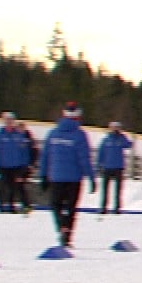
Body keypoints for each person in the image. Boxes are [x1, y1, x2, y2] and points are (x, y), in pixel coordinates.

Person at [39, 103, 95, 247]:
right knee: (71, 207)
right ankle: (67, 232)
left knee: (56, 205)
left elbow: (45, 157)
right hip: (74, 178)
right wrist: (91, 177)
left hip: (56, 177)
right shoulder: (80, 135)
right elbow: (84, 159)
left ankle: (61, 227)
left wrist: (43, 175)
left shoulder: (53, 133)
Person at [0, 113, 34, 214]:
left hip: (16, 166)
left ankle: (16, 205)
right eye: (7, 121)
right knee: (3, 186)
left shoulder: (19, 135)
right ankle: (1, 206)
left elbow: (24, 151)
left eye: (11, 120)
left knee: (16, 186)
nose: (9, 123)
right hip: (3, 166)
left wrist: (25, 165)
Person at [97, 120, 132, 214]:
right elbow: (101, 153)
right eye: (113, 128)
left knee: (118, 190)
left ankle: (117, 207)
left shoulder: (121, 139)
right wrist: (99, 165)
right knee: (105, 189)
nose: (115, 130)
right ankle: (103, 207)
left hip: (118, 167)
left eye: (117, 128)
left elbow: (128, 145)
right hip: (107, 167)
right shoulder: (106, 140)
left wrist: (123, 136)